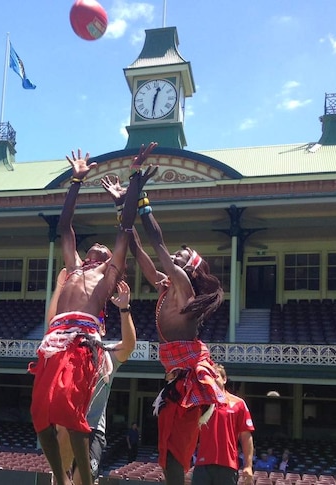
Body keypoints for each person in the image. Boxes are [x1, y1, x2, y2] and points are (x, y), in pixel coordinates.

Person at [29, 145, 153, 485]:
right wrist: (75, 182)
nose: (94, 248)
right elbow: (65, 227)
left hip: (81, 342)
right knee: (40, 415)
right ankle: (61, 479)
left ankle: (82, 478)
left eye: (101, 250)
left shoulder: (108, 275)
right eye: (92, 249)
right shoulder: (72, 270)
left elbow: (125, 229)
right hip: (54, 341)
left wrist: (133, 182)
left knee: (71, 416)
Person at [124, 145, 227, 485]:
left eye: (181, 256)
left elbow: (156, 241)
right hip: (176, 375)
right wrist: (123, 202)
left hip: (187, 376)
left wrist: (141, 197)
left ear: (189, 268)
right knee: (168, 450)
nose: (175, 258)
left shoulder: (183, 285)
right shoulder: (169, 287)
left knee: (175, 452)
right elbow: (140, 252)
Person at [56, 281, 137, 484]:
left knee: (83, 480)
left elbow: (128, 345)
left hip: (93, 431)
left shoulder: (108, 354)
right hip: (66, 427)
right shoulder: (68, 351)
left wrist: (125, 309)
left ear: (100, 328)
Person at [192, 364, 255, 485]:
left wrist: (248, 466)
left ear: (224, 379)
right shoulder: (200, 404)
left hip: (228, 465)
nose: (213, 380)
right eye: (209, 377)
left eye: (216, 376)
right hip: (202, 464)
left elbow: (246, 436)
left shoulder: (239, 404)